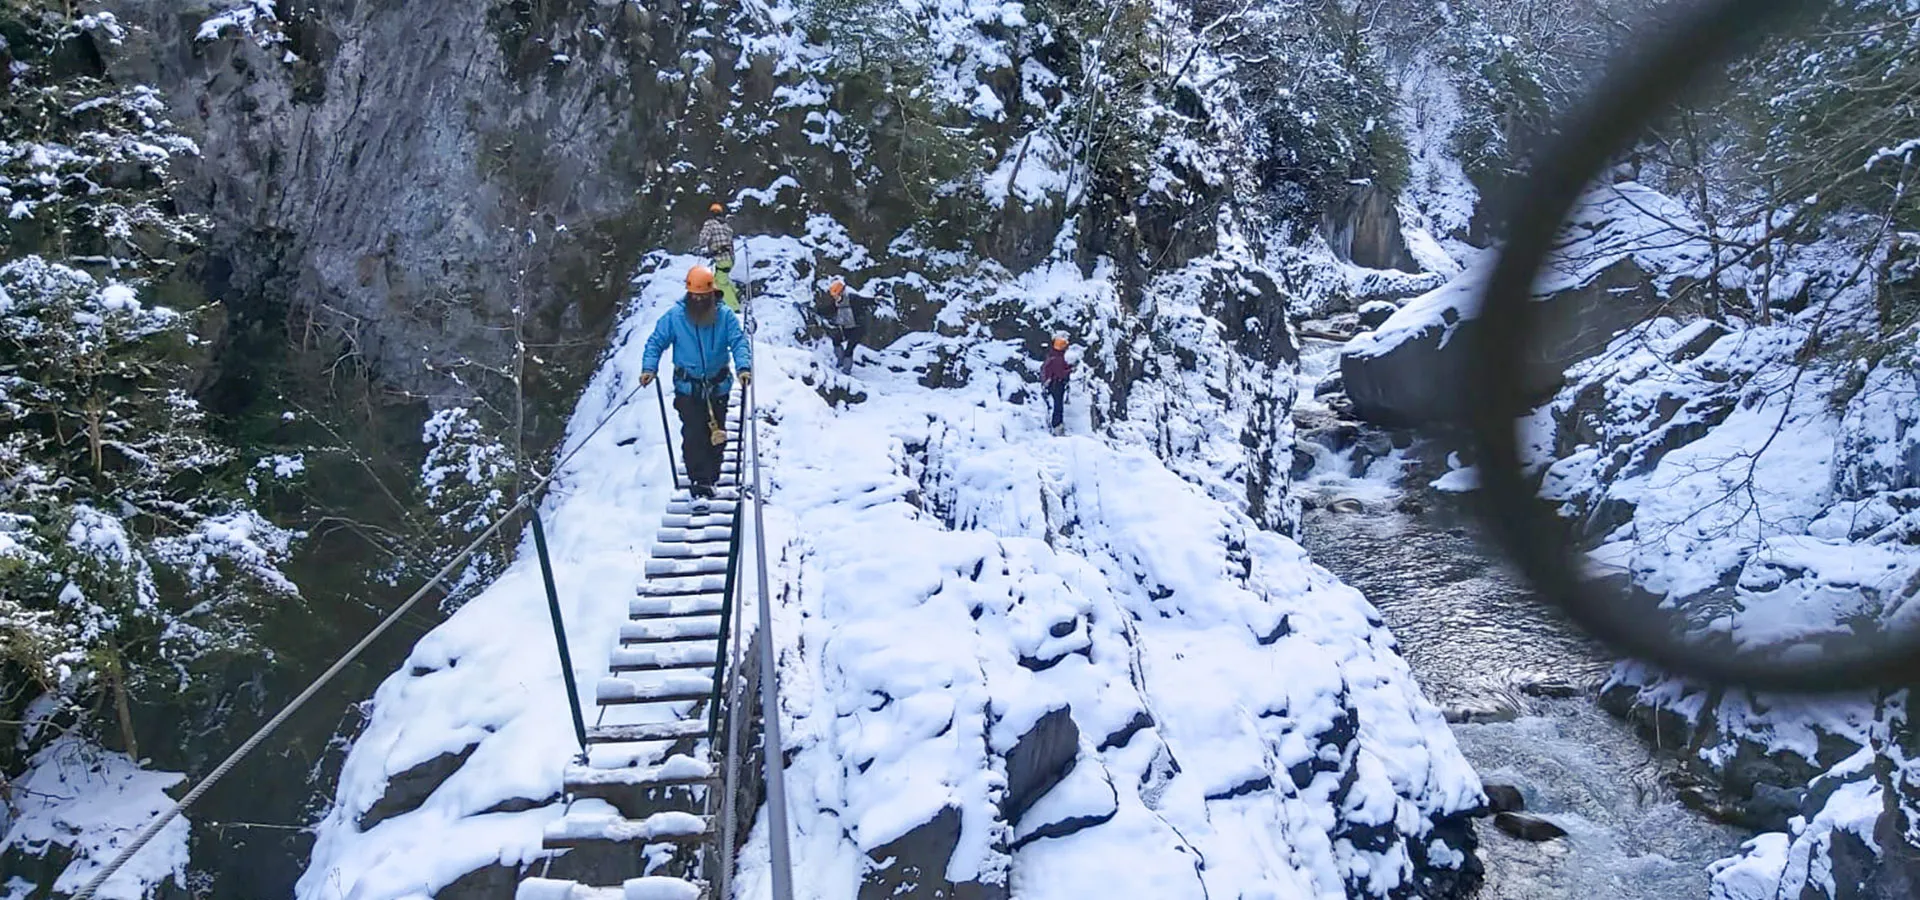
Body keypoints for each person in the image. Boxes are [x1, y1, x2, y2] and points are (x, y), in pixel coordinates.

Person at [641, 265, 753, 499]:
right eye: (695, 296)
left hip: (718, 385)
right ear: (689, 294)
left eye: (703, 296)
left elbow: (739, 342)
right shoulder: (675, 317)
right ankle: (699, 481)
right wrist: (648, 368)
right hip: (687, 388)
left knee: (717, 434)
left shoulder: (725, 317)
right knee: (693, 434)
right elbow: (656, 342)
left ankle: (712, 475)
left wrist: (744, 367)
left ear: (712, 294)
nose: (699, 300)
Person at [825, 279, 863, 374]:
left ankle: (846, 370)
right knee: (836, 340)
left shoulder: (853, 299)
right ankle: (841, 361)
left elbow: (865, 301)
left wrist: (875, 300)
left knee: (849, 349)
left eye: (836, 295)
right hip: (846, 328)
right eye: (834, 296)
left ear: (842, 292)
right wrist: (811, 309)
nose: (835, 298)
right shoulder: (837, 303)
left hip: (858, 328)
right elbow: (827, 310)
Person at [1042, 336, 1071, 436]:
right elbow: (1060, 373)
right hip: (1057, 385)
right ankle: (1057, 426)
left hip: (1053, 384)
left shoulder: (1052, 356)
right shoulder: (1058, 359)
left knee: (1057, 405)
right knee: (1058, 406)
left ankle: (1057, 426)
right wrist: (1071, 370)